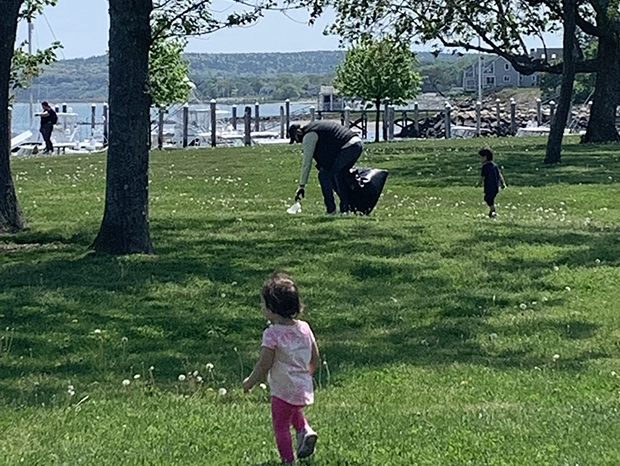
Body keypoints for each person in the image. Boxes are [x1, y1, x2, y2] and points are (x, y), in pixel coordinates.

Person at [243, 271, 320, 464]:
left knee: (281, 426)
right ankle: (305, 430)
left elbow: (265, 363)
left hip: (283, 387)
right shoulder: (304, 327)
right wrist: (308, 372)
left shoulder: (272, 333)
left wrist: (249, 382)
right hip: (302, 384)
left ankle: (288, 460)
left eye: (264, 304)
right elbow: (315, 355)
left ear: (272, 309)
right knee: (293, 408)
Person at [290, 120, 363, 214]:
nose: (297, 142)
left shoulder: (309, 136)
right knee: (332, 174)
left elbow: (306, 162)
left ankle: (335, 209)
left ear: (298, 133)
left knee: (329, 175)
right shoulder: (314, 128)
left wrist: (302, 186)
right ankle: (348, 207)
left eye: (295, 139)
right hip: (355, 143)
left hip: (349, 147)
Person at [476, 147, 507, 217]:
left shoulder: (485, 167)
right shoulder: (494, 166)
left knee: (487, 198)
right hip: (495, 186)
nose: (480, 159)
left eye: (481, 157)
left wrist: (479, 184)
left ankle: (493, 211)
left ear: (485, 157)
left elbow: (482, 177)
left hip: (489, 186)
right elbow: (499, 175)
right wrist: (503, 183)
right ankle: (491, 212)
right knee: (490, 198)